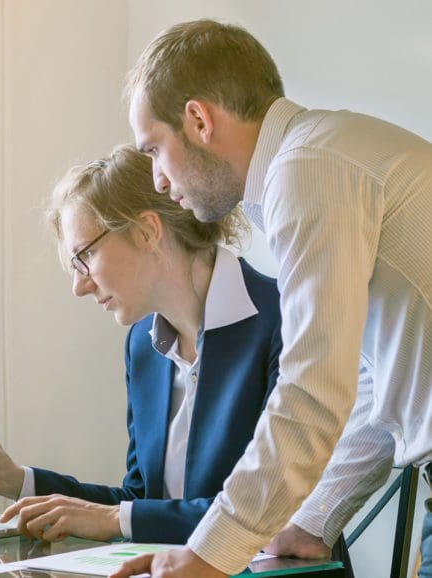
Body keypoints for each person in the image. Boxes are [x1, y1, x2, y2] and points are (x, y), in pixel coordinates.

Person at [113, 18, 432, 578]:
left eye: (155, 150)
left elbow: (312, 387)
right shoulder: (321, 156)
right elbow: (372, 383)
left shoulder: (308, 170)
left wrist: (213, 549)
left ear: (198, 119)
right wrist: (313, 520)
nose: (158, 181)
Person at [0, 145, 287, 546]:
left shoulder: (284, 320)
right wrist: (18, 480)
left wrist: (116, 518)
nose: (79, 285)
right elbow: (140, 503)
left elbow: (268, 510)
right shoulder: (143, 344)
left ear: (147, 231)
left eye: (84, 256)